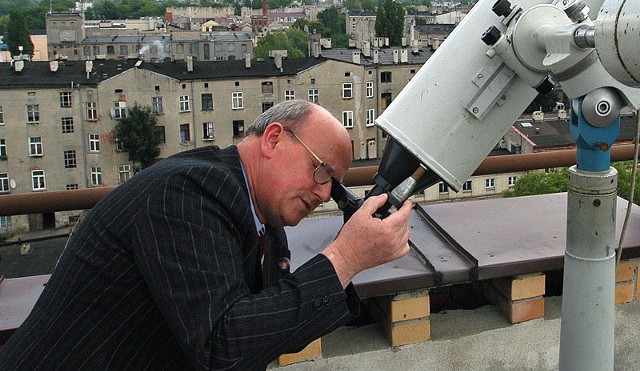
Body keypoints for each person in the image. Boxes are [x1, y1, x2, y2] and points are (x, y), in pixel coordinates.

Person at [0, 99, 412, 370]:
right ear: (273, 139)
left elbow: (264, 332)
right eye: (322, 171)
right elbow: (222, 346)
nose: (325, 194)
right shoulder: (188, 192)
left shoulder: (263, 221)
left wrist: (351, 258)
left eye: (336, 186)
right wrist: (343, 259)